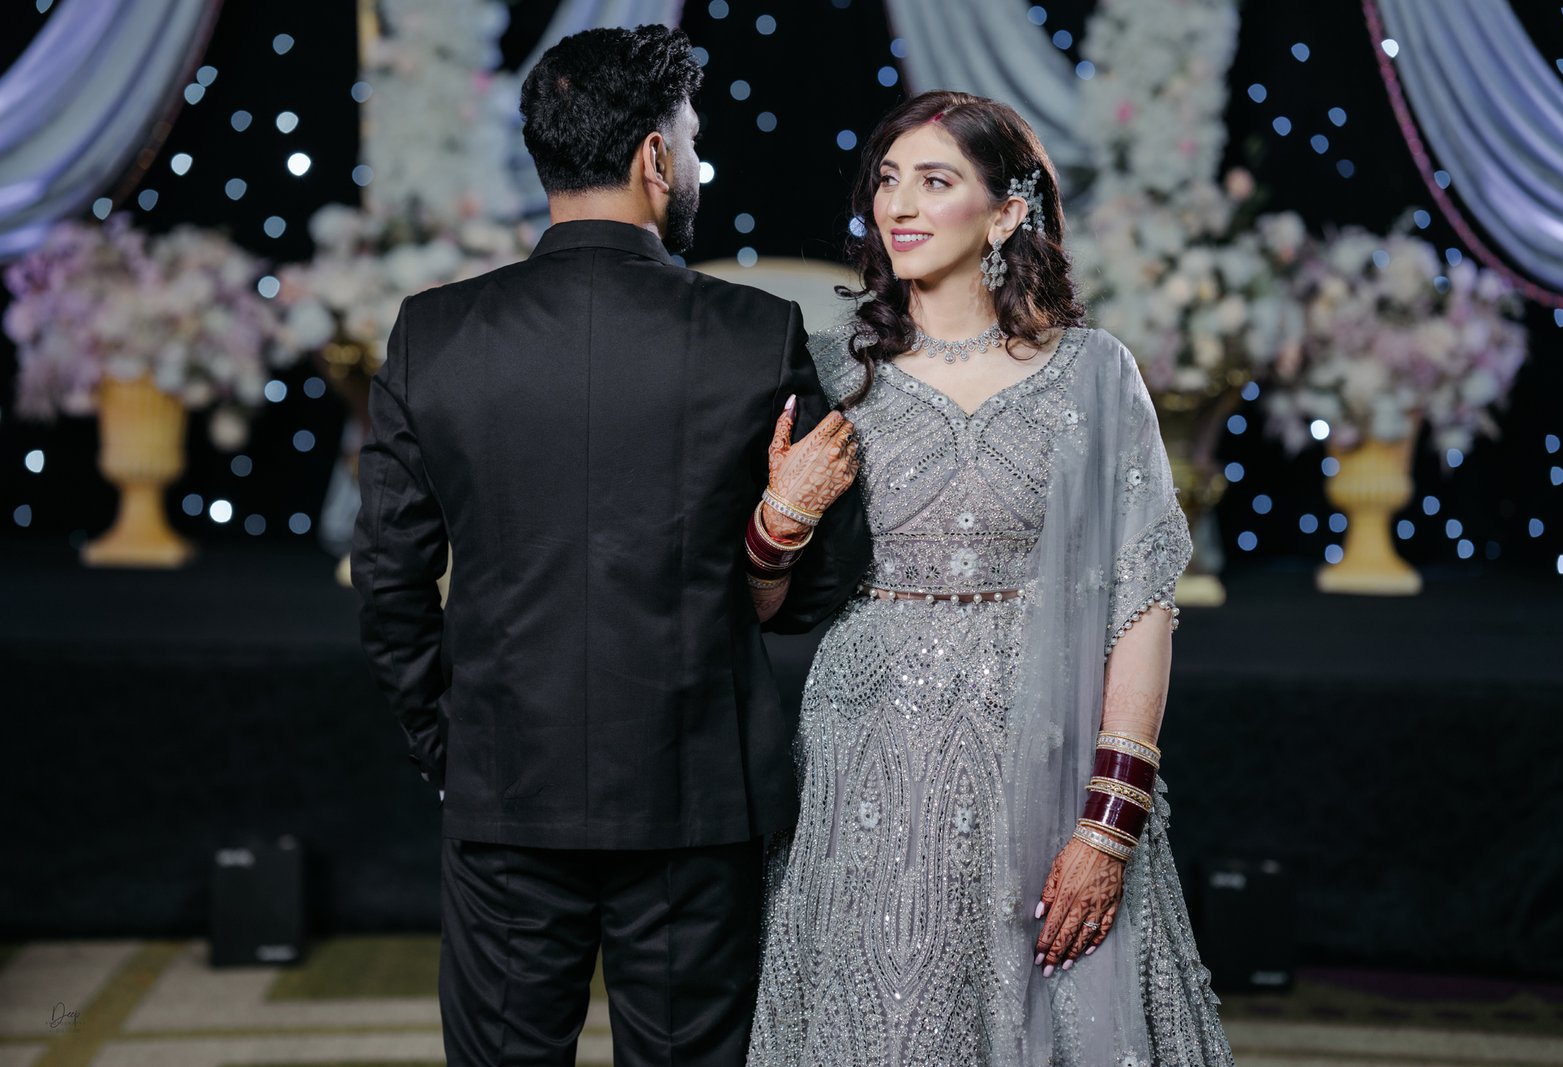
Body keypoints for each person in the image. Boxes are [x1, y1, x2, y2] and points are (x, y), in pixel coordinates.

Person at [350, 25, 867, 1066]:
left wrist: (450, 748)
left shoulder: (434, 333)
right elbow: (825, 579)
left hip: (506, 784)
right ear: (654, 157)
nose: (697, 163)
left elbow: (390, 583)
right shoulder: (756, 332)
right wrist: (768, 546)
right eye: (693, 140)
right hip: (695, 795)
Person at [747, 91, 1235, 1066]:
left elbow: (1141, 602)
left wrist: (1109, 821)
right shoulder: (832, 371)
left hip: (1045, 753)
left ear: (1007, 212)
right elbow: (760, 603)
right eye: (888, 180)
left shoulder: (1093, 375)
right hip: (871, 755)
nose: (899, 204)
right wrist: (777, 523)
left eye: (935, 181)